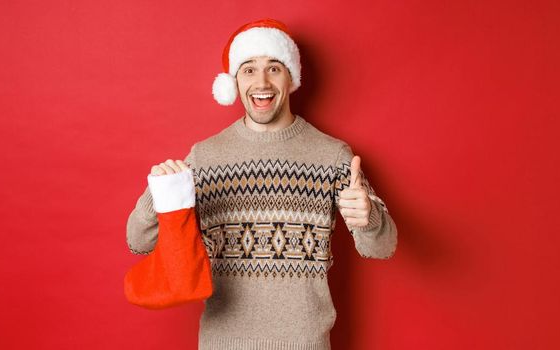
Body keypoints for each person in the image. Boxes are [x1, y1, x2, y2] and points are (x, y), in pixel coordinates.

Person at [126, 18, 398, 350]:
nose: (261, 82)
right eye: (249, 70)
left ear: (291, 78)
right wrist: (158, 194)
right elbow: (137, 241)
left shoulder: (332, 155)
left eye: (274, 68)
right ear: (235, 82)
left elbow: (381, 247)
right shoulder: (205, 157)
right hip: (222, 343)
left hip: (304, 343)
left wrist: (368, 217)